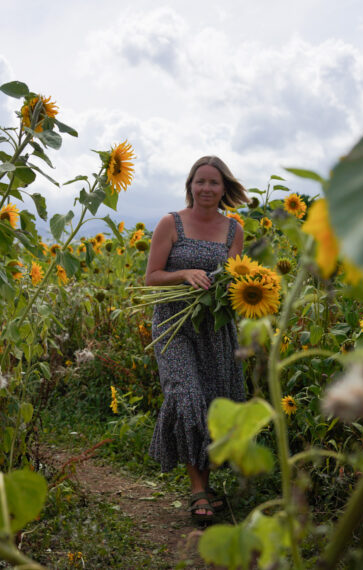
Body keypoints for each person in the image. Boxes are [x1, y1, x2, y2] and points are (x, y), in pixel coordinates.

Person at [144, 156, 248, 522]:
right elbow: (152, 277)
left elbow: (234, 279)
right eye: (199, 181)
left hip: (214, 328)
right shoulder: (171, 223)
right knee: (185, 395)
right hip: (173, 325)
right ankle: (197, 490)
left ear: (224, 189)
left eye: (213, 183)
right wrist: (185, 273)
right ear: (190, 185)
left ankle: (205, 483)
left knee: (213, 401)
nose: (206, 188)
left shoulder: (234, 230)